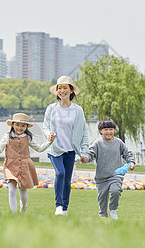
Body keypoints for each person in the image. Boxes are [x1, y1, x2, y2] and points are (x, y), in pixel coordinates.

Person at [43, 76, 89, 216]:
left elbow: (83, 132)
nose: (62, 91)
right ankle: (58, 206)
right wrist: (48, 134)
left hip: (70, 151)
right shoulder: (51, 108)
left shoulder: (78, 110)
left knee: (67, 181)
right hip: (55, 149)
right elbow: (45, 127)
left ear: (71, 91)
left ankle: (65, 209)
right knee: (60, 173)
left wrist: (84, 152)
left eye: (65, 88)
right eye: (59, 88)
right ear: (57, 91)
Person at [0, 113, 56, 213]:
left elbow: (39, 148)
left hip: (25, 166)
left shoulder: (28, 138)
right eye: (17, 125)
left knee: (23, 193)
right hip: (10, 165)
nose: (20, 128)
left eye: (23, 125)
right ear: (12, 125)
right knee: (11, 190)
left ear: (27, 127)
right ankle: (14, 215)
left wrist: (49, 142)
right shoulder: (7, 136)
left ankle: (24, 207)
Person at [87, 118, 135, 220]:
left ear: (114, 130)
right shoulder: (97, 143)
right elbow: (90, 154)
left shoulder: (118, 142)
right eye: (106, 129)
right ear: (101, 131)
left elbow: (127, 153)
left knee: (116, 191)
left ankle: (113, 209)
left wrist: (131, 162)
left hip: (116, 174)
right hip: (101, 176)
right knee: (102, 198)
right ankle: (103, 214)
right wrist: (85, 158)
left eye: (111, 129)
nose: (108, 132)